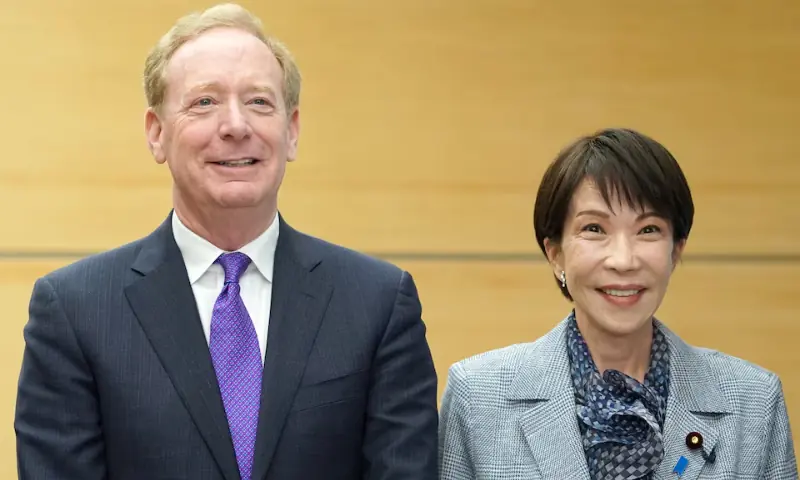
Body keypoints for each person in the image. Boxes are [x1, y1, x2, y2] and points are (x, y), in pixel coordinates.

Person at [14, 3, 439, 479]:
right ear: (156, 134)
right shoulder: (75, 311)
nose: (236, 125)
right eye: (204, 102)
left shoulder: (377, 303)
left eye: (259, 102)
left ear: (292, 131)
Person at [438, 128, 797, 479]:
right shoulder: (478, 397)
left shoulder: (753, 402)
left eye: (648, 230)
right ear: (555, 253)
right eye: (594, 228)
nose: (623, 260)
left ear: (676, 251)